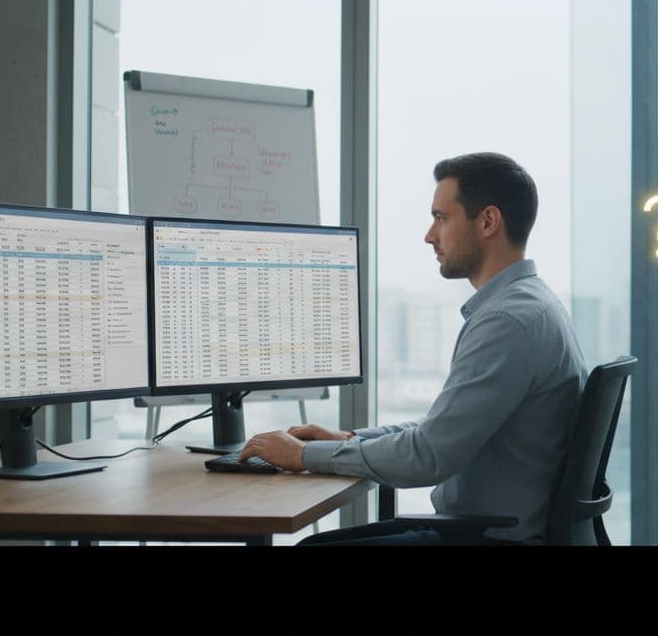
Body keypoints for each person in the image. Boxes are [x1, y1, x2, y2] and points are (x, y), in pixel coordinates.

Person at [240, 152, 587, 545]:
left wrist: (302, 456)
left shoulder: (508, 322)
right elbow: (439, 431)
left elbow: (427, 456)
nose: (429, 235)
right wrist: (349, 439)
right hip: (479, 530)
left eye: (441, 218)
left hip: (486, 539)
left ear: (488, 221)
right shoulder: (531, 306)